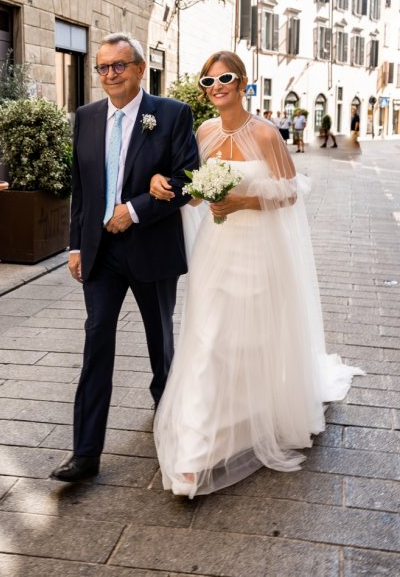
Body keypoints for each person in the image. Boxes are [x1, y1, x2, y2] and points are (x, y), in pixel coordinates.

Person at [149, 50, 363, 498]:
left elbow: (291, 190)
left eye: (224, 78)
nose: (216, 87)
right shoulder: (203, 132)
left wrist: (243, 201)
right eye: (208, 82)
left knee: (252, 337)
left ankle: (252, 416)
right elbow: (191, 193)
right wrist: (163, 185)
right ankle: (194, 451)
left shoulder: (266, 133)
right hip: (216, 248)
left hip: (258, 248)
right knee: (208, 339)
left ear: (243, 82)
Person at [51, 32, 199, 482]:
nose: (109, 74)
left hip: (151, 247)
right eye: (102, 67)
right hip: (100, 254)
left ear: (139, 69)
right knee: (96, 345)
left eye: (119, 66)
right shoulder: (86, 117)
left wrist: (134, 211)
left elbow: (189, 179)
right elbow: (82, 187)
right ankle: (85, 454)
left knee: (161, 345)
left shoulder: (171, 114)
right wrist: (75, 244)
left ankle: (170, 425)